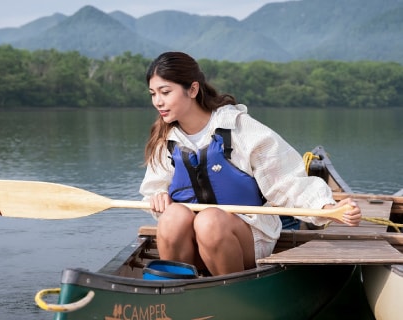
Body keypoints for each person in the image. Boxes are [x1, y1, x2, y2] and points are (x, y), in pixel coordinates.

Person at [139, 51, 361, 276]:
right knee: (172, 217)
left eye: (165, 92)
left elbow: (286, 181)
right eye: (153, 94)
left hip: (245, 237)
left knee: (209, 221)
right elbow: (155, 186)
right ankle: (177, 287)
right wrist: (158, 196)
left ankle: (229, 294)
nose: (158, 102)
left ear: (193, 89)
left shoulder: (240, 129)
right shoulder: (166, 139)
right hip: (192, 243)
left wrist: (327, 208)